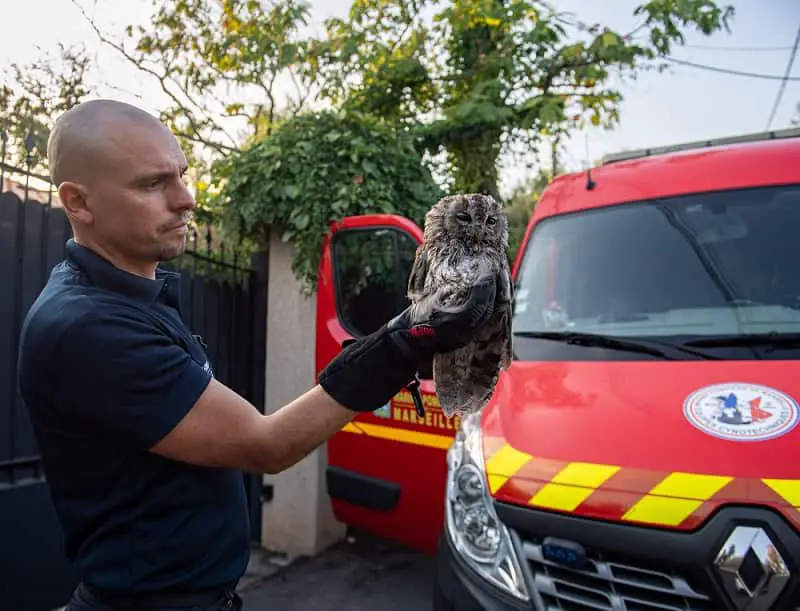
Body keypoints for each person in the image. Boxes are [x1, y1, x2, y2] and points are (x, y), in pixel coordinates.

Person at [16, 99, 500, 611]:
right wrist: (404, 341)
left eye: (182, 175)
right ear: (78, 202)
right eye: (153, 184)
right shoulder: (90, 326)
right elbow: (265, 445)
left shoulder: (130, 297)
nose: (186, 198)